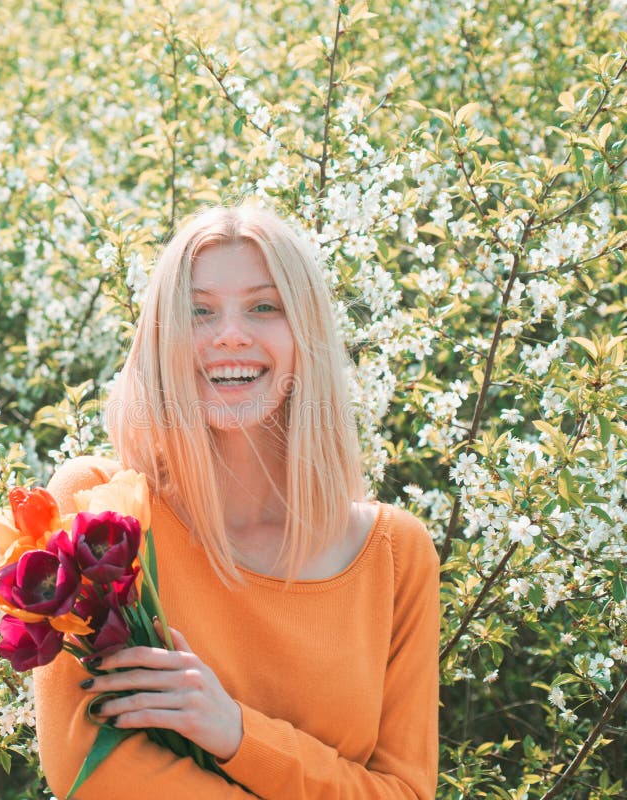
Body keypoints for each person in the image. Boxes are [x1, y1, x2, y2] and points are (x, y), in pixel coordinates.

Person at [34, 205, 440, 799]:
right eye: (198, 311)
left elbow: (405, 792)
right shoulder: (96, 511)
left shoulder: (396, 555)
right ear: (160, 340)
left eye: (264, 307)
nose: (229, 333)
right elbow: (87, 770)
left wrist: (237, 732)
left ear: (308, 339)